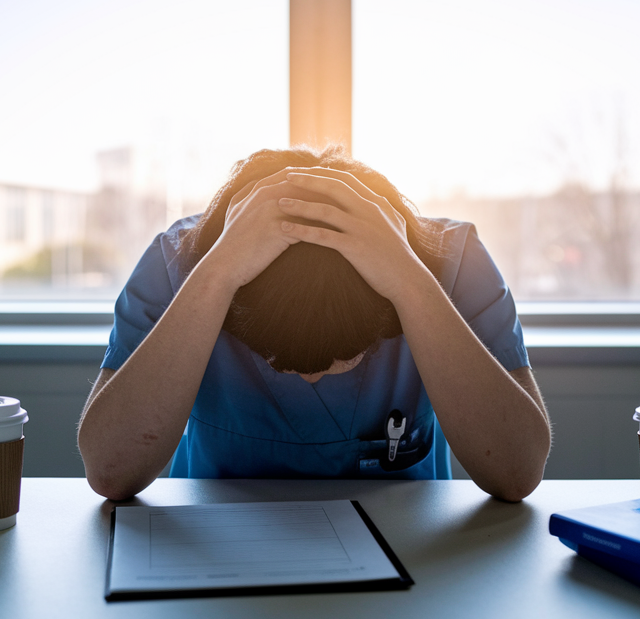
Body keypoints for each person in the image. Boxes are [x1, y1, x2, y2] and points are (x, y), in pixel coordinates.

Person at [77, 146, 551, 501]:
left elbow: (516, 471)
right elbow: (110, 470)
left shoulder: (454, 262)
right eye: (276, 359)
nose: (309, 377)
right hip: (217, 549)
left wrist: (410, 279)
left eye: (346, 354)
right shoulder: (178, 262)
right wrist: (217, 274)